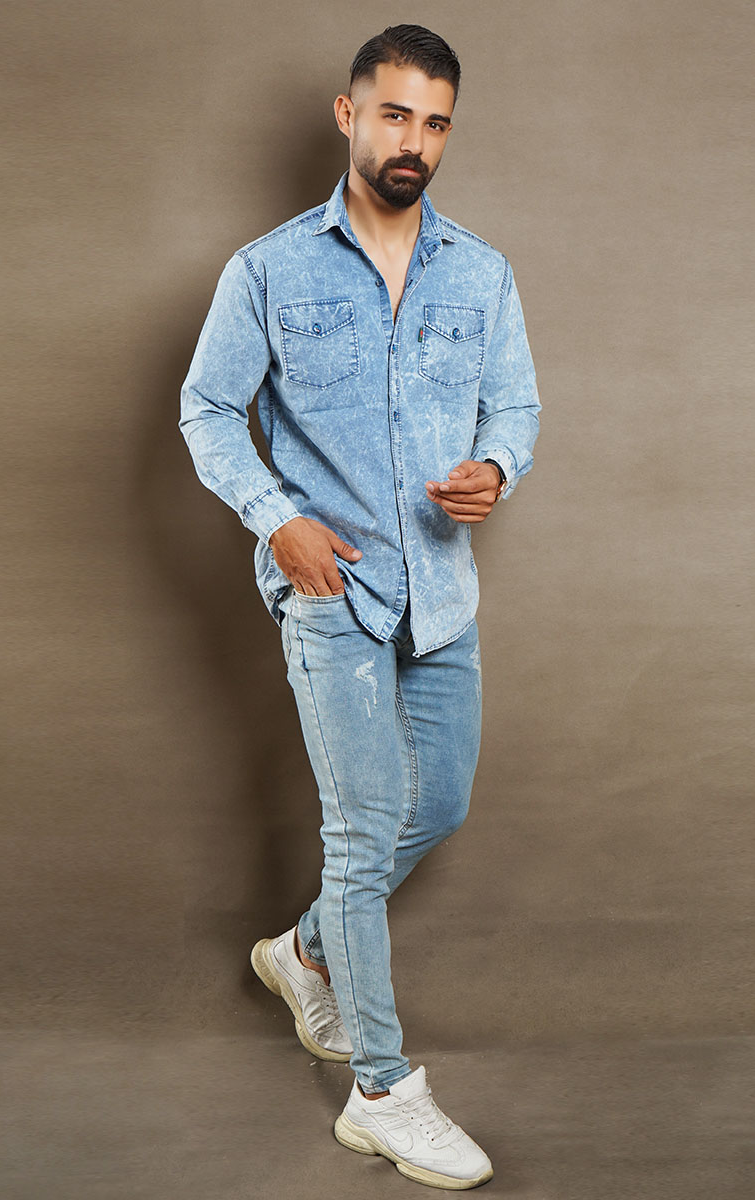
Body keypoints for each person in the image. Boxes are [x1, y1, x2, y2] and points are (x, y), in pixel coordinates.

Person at [179, 24, 539, 1191]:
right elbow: (206, 410)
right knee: (362, 825)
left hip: (441, 589)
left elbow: (516, 407)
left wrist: (498, 467)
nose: (412, 141)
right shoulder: (268, 270)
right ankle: (382, 1092)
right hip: (330, 585)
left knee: (440, 805)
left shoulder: (481, 272)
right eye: (394, 115)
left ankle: (302, 952)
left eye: (434, 122)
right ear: (349, 115)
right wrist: (274, 518)